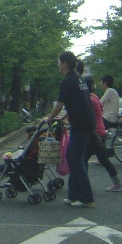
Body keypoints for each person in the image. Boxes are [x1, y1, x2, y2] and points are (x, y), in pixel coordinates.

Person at [43, 51, 95, 208]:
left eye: (59, 61)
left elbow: (59, 104)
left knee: (75, 159)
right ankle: (73, 196)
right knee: (74, 158)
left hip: (81, 125)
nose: (58, 64)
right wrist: (65, 117)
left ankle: (87, 198)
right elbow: (79, 103)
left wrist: (50, 118)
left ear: (65, 63)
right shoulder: (79, 79)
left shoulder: (68, 81)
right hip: (86, 122)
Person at [85, 76, 122, 192]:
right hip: (100, 130)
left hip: (101, 126)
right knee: (102, 159)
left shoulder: (102, 94)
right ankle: (118, 183)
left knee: (81, 159)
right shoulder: (94, 96)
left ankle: (83, 188)